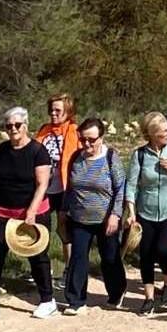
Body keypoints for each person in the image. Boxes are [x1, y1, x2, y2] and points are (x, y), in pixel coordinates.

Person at [0, 107, 56, 321]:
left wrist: (31, 212)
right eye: (9, 126)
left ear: (26, 126)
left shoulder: (38, 151)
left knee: (37, 255)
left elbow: (43, 184)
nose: (13, 129)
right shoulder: (2, 150)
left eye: (17, 125)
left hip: (32, 211)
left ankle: (47, 300)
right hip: (2, 211)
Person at [124, 112, 167, 316]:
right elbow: (132, 185)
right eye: (163, 131)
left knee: (163, 249)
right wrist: (131, 212)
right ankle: (149, 298)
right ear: (152, 134)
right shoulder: (140, 155)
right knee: (146, 254)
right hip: (147, 210)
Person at [62, 117, 127, 314]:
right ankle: (76, 300)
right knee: (78, 258)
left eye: (91, 139)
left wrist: (115, 215)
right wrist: (64, 211)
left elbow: (120, 188)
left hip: (106, 218)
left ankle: (116, 292)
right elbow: (70, 188)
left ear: (101, 137)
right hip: (80, 218)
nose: (87, 144)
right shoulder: (76, 158)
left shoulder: (111, 158)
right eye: (83, 140)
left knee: (109, 258)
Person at [34, 93, 79, 287]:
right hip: (44, 187)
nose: (53, 113)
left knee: (63, 226)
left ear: (68, 112)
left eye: (58, 110)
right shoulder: (44, 130)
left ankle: (69, 268)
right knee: (39, 226)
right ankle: (41, 268)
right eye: (51, 110)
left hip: (65, 187)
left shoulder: (74, 130)